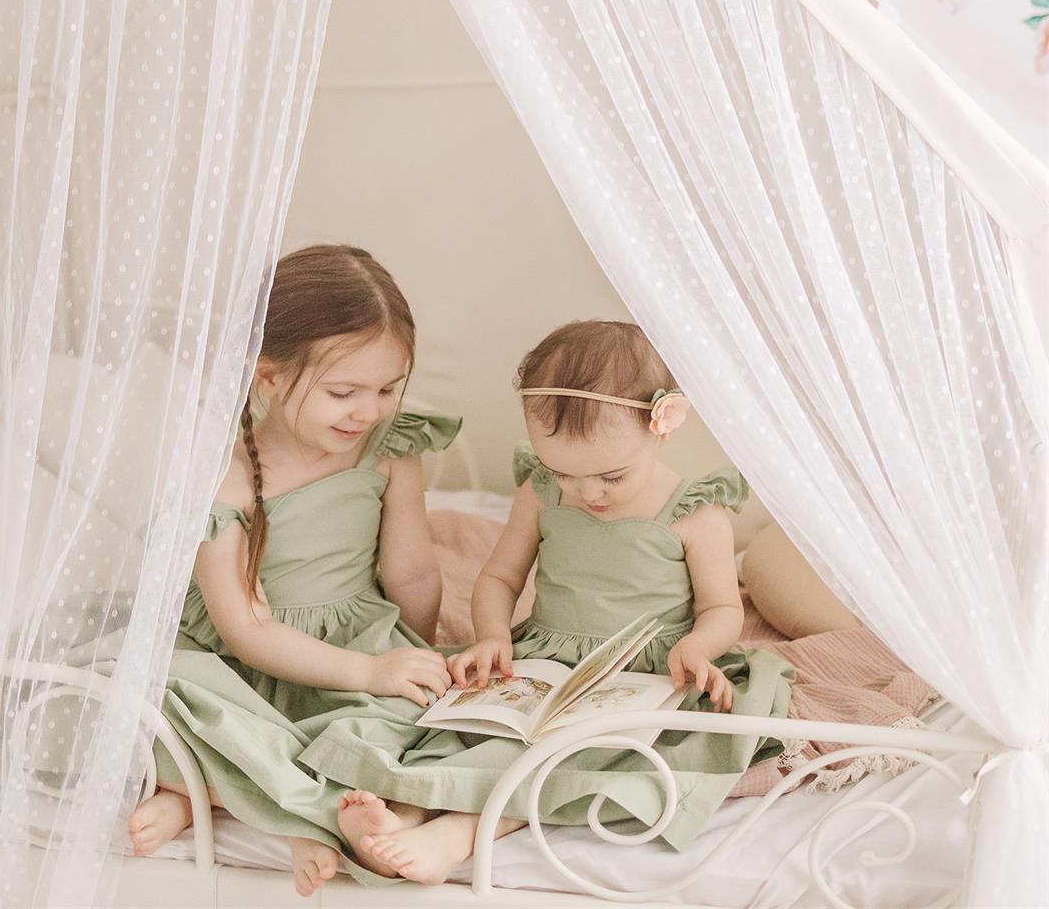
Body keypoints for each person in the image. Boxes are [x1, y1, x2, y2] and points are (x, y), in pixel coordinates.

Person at [304, 320, 793, 885]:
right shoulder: (541, 491)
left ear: (661, 427)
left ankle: (454, 834)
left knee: (580, 756)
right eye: (566, 472)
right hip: (547, 659)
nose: (587, 494)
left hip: (650, 670)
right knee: (463, 726)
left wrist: (698, 647)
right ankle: (400, 812)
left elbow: (723, 610)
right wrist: (492, 635)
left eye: (611, 476)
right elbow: (498, 580)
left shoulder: (694, 510)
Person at [127, 244, 458, 895]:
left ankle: (217, 798)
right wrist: (366, 672)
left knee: (423, 729)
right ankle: (258, 806)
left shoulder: (391, 449)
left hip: (355, 641)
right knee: (179, 710)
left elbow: (413, 575)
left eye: (388, 389)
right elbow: (245, 629)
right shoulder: (224, 469)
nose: (368, 411)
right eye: (344, 392)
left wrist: (410, 660)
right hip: (242, 660)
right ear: (269, 378)